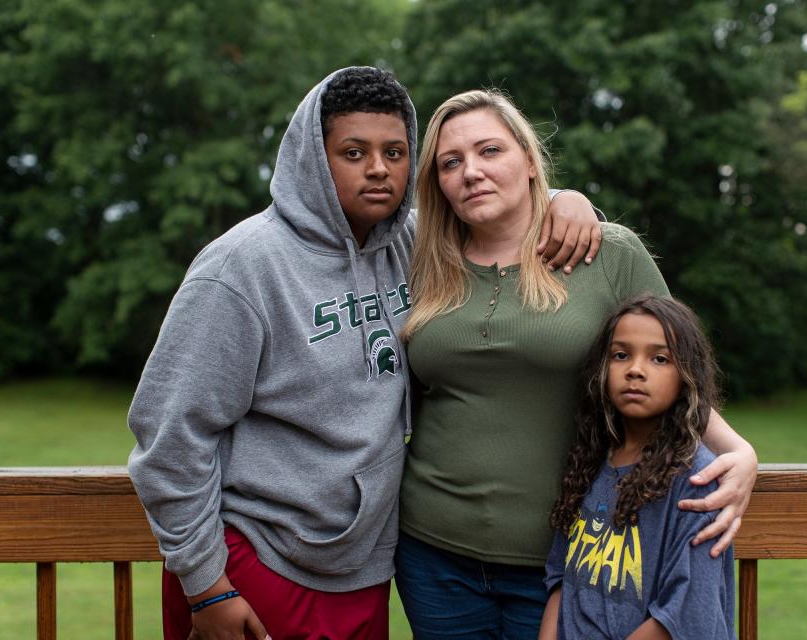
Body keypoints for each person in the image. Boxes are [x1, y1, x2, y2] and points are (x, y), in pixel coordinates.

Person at [127, 67, 601, 640]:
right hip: (253, 558)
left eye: (395, 151)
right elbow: (169, 436)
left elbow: (496, 203)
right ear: (313, 159)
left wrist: (565, 200)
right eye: (353, 152)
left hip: (360, 565)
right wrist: (206, 586)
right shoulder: (242, 269)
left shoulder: (411, 245)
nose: (378, 168)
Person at [395, 89, 756, 639]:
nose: (471, 171)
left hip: (565, 562)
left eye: (490, 150)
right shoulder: (420, 258)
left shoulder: (605, 252)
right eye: (451, 162)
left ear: (530, 160)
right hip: (432, 554)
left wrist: (739, 452)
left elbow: (674, 366)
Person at [539, 296, 735, 640]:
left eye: (659, 359)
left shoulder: (697, 480)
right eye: (621, 355)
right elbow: (560, 580)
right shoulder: (589, 464)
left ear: (686, 375)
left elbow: (686, 615)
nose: (635, 369)